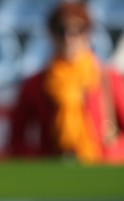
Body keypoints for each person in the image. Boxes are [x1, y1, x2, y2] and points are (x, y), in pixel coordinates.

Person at [8, 1, 124, 162]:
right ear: (51, 34)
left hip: (100, 169)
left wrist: (113, 156)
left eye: (78, 30)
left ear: (88, 34)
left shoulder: (108, 79)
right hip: (54, 174)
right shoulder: (36, 84)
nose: (69, 38)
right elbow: (16, 137)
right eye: (61, 30)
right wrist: (39, 163)